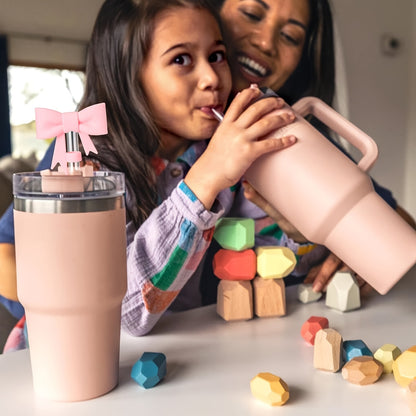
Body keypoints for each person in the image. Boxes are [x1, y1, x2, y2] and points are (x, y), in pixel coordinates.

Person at [2, 0, 304, 346]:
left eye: (217, 55)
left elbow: (279, 252)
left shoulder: (217, 153)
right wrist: (205, 179)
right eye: (181, 59)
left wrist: (301, 233)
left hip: (178, 352)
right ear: (129, 75)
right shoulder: (82, 160)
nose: (211, 78)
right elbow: (124, 313)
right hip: (71, 355)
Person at [209, 0, 416, 294]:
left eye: (291, 37)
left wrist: (350, 245)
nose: (267, 42)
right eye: (252, 15)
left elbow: (403, 225)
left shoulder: (298, 139)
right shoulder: (169, 143)